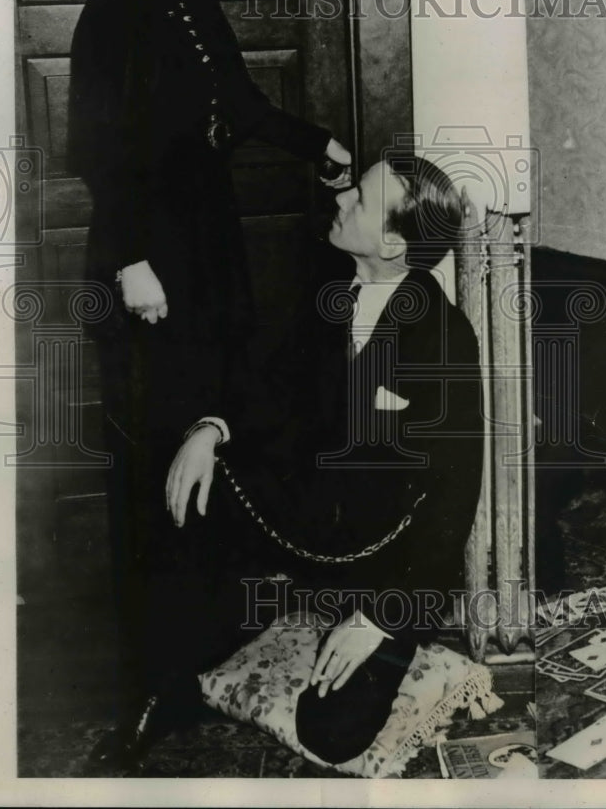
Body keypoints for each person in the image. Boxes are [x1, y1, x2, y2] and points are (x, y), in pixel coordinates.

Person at [67, 0, 351, 764]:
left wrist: (322, 146)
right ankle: (151, 686)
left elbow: (242, 101)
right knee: (154, 466)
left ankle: (200, 655)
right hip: (146, 269)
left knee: (209, 441)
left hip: (208, 253)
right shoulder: (114, 11)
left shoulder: (194, 2)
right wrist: (129, 261)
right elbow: (96, 152)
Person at [90, 154, 483, 772]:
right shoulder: (329, 294)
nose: (343, 196)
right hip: (303, 525)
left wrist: (381, 618)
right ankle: (164, 685)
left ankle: (332, 627)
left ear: (391, 239)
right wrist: (210, 430)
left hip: (382, 565)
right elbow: (265, 388)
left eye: (361, 199)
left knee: (332, 733)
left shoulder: (445, 338)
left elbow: (453, 503)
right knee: (180, 477)